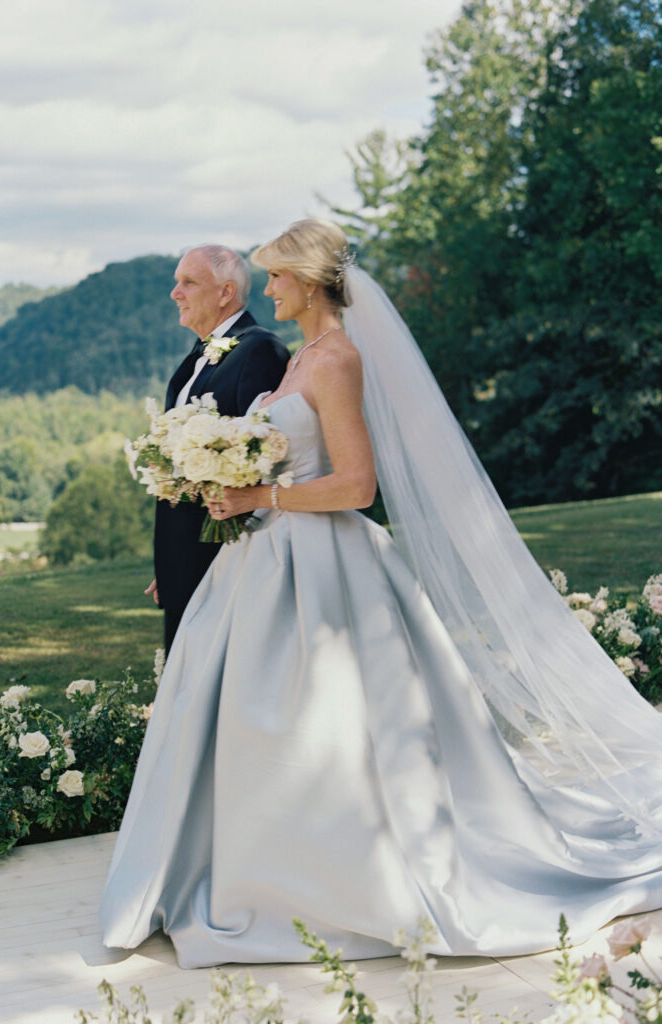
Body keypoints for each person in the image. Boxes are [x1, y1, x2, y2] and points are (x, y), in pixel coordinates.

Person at [101, 219, 662, 969]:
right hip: (262, 559)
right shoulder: (300, 358)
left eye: (276, 277)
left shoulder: (337, 361)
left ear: (305, 282)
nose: (269, 290)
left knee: (326, 722)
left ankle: (324, 878)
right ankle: (249, 862)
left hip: (321, 565)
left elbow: (357, 485)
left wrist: (259, 492)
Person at [146, 245, 289, 651]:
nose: (176, 292)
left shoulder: (259, 350)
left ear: (226, 292)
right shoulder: (199, 354)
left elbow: (263, 456)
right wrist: (168, 558)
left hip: (223, 557)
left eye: (188, 283)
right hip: (185, 555)